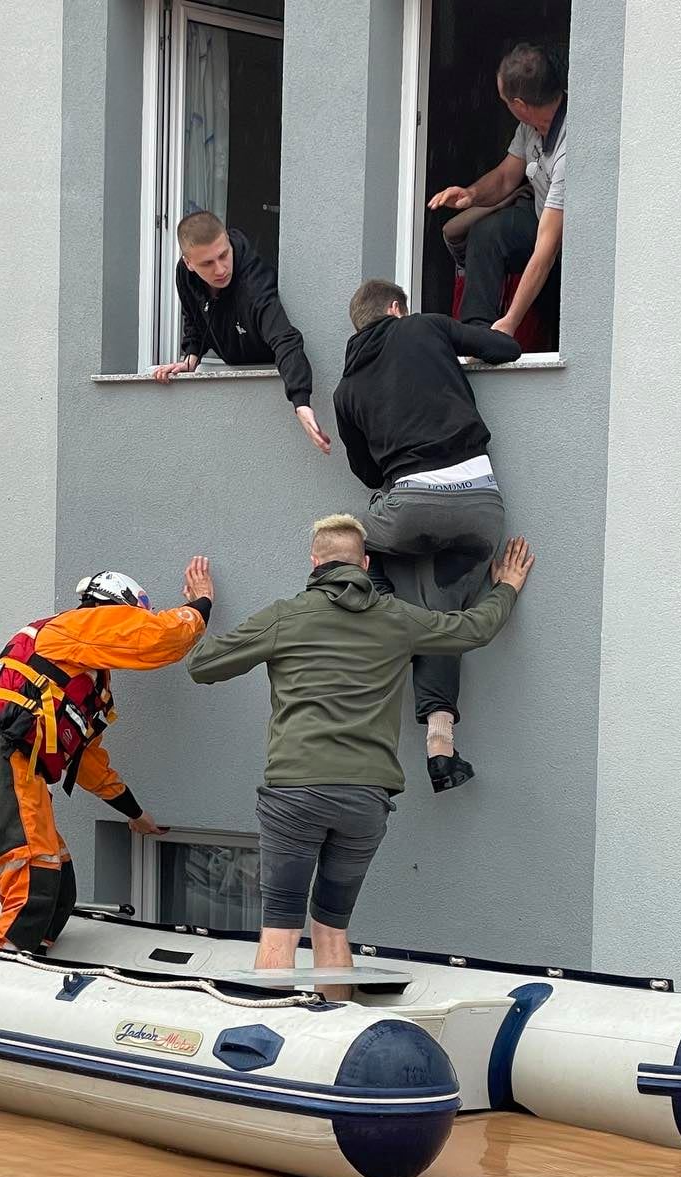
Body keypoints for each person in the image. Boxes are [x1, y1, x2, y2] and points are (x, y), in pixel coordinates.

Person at [188, 518, 533, 995]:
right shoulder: (397, 617)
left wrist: (197, 607)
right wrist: (507, 588)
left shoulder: (285, 616)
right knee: (331, 928)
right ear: (366, 565)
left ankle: (268, 1046)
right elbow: (473, 630)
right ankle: (334, 1040)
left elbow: (202, 667)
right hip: (365, 801)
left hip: (295, 795)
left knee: (281, 930)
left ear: (314, 563)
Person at [0, 561, 215, 952]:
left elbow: (89, 763)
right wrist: (201, 604)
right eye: (128, 619)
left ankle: (34, 956)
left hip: (18, 765)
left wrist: (134, 813)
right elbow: (162, 637)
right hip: (3, 755)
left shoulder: (83, 675)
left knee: (60, 886)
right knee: (32, 879)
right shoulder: (71, 627)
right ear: (113, 609)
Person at [333, 278, 521, 793]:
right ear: (397, 309)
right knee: (445, 619)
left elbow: (370, 474)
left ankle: (386, 610)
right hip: (481, 510)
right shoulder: (426, 327)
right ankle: (441, 742)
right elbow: (507, 348)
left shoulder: (345, 391)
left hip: (411, 509)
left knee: (347, 541)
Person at [152, 211, 331, 456]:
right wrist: (191, 356)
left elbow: (285, 338)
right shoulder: (185, 276)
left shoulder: (253, 283)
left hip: (263, 367)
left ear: (227, 239)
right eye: (207, 263)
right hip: (229, 368)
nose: (220, 269)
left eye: (224, 255)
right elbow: (193, 316)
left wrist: (301, 403)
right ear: (189, 263)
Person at [428, 42, 566, 338]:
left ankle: (506, 334)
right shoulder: (531, 125)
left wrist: (511, 322)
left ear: (519, 105)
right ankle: (475, 332)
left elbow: (546, 249)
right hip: (540, 219)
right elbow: (506, 177)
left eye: (504, 100)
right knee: (488, 232)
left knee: (550, 302)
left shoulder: (569, 149)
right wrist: (471, 194)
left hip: (568, 249)